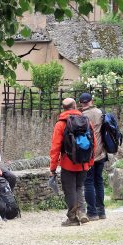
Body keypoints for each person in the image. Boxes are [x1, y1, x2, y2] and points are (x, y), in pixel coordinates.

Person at [49, 98, 96, 227]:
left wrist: (53, 167)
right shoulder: (86, 121)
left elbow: (55, 147)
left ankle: (72, 218)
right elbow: (93, 142)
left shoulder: (61, 124)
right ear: (75, 106)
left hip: (67, 162)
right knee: (79, 187)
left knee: (70, 190)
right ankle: (82, 212)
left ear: (63, 108)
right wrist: (90, 161)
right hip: (83, 162)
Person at [79, 93, 107, 221]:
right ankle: (101, 211)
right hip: (101, 152)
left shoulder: (82, 116)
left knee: (88, 182)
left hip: (88, 154)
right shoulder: (100, 112)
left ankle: (92, 212)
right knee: (99, 181)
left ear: (81, 103)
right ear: (92, 101)